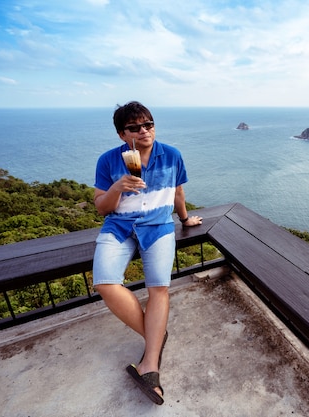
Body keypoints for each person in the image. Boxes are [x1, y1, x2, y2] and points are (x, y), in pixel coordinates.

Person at [92, 101, 202, 405]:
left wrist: (184, 219)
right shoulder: (109, 161)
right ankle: (155, 333)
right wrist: (117, 187)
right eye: (135, 127)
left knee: (159, 288)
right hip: (119, 227)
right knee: (104, 282)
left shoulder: (172, 155)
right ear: (121, 134)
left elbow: (178, 192)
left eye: (148, 124)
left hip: (158, 227)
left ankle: (149, 365)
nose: (144, 131)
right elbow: (102, 207)